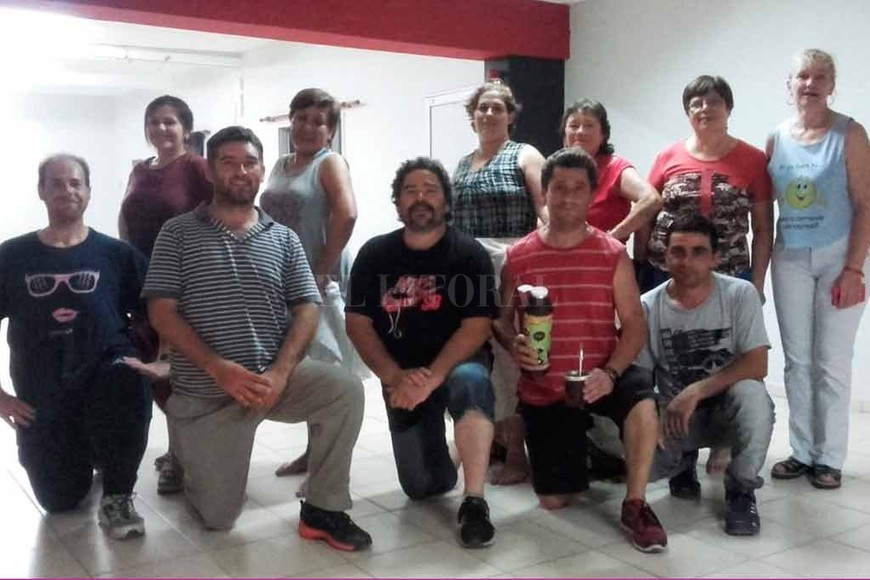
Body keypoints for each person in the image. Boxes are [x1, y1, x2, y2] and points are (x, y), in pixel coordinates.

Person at [142, 126, 371, 552]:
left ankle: (323, 508)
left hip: (272, 383)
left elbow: (307, 306)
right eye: (228, 162)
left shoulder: (282, 238)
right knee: (218, 519)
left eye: (249, 163)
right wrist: (218, 368)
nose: (240, 171)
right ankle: (191, 461)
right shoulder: (177, 233)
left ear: (263, 171)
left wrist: (283, 372)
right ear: (210, 170)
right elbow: (161, 312)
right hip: (208, 393)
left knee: (344, 391)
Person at [493, 148, 666, 553]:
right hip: (546, 386)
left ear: (592, 196)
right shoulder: (518, 256)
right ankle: (585, 452)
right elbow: (501, 319)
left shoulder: (611, 253)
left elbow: (635, 326)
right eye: (559, 188)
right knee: (554, 501)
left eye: (578, 189)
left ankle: (636, 504)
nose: (568, 197)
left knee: (642, 398)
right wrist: (512, 342)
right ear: (545, 194)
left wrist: (610, 374)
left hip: (603, 375)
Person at [346, 157, 498, 549]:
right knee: (424, 486)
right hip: (401, 374)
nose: (420, 197)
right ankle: (452, 458)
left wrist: (433, 377)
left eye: (431, 189)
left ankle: (475, 502)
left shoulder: (469, 254)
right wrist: (395, 377)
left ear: (446, 203)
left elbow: (477, 325)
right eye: (411, 190)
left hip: (456, 365)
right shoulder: (374, 255)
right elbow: (358, 324)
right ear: (397, 204)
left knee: (471, 382)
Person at [0, 154, 152, 540]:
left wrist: (165, 360)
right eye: (56, 183)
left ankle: (117, 493)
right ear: (41, 192)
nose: (66, 190)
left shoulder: (117, 255)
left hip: (107, 375)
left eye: (74, 183)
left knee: (128, 379)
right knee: (60, 500)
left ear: (87, 191)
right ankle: (86, 451)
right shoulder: (11, 257)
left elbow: (162, 309)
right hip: (43, 392)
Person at [643, 75, 773, 475]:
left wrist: (757, 281)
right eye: (696, 102)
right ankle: (680, 439)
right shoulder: (668, 156)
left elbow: (764, 228)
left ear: (728, 109)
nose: (705, 108)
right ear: (687, 112)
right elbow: (649, 215)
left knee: (725, 359)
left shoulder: (752, 160)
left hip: (731, 273)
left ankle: (723, 441)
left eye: (714, 101)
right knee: (676, 357)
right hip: (670, 273)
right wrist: (640, 268)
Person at [768, 49, 870, 490]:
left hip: (838, 258)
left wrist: (854, 269)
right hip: (789, 256)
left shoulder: (851, 133)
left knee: (831, 361)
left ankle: (828, 458)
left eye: (820, 76)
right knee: (797, 361)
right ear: (789, 85)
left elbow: (866, 205)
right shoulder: (775, 138)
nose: (810, 84)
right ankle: (802, 450)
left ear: (832, 85)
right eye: (802, 76)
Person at [641, 214, 774, 536]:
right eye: (678, 252)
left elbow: (757, 364)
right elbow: (641, 377)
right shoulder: (648, 305)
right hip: (675, 417)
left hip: (725, 410)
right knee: (627, 442)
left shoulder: (740, 294)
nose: (687, 261)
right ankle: (680, 465)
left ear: (716, 257)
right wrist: (649, 421)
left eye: (699, 252)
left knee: (753, 395)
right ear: (665, 255)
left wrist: (696, 391)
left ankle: (742, 491)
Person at [261, 88, 366, 479]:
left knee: (327, 367)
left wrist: (321, 268)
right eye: (301, 118)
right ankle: (312, 453)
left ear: (330, 131)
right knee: (305, 368)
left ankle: (330, 466)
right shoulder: (280, 164)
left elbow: (348, 213)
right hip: (280, 282)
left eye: (318, 122)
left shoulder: (329, 162)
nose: (307, 127)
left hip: (315, 283)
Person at [560, 98, 662, 477]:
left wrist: (610, 241)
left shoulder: (615, 168)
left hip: (607, 277)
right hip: (566, 278)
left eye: (588, 125)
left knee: (610, 350)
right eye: (573, 125)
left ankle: (612, 444)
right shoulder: (561, 170)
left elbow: (651, 199)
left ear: (603, 134)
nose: (579, 132)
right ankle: (579, 441)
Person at [452, 79, 546, 485]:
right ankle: (491, 443)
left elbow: (544, 211)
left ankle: (519, 457)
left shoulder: (524, 155)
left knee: (510, 358)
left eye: (497, 108)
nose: (489, 114)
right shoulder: (461, 163)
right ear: (472, 116)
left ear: (510, 116)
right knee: (475, 356)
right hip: (468, 267)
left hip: (513, 262)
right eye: (482, 108)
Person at [119, 95, 212, 495]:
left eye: (170, 122)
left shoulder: (197, 167)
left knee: (178, 373)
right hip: (143, 283)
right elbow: (126, 218)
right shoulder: (139, 170)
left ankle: (179, 457)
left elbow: (220, 218)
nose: (161, 129)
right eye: (154, 121)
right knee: (151, 369)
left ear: (186, 129)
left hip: (184, 285)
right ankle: (182, 447)